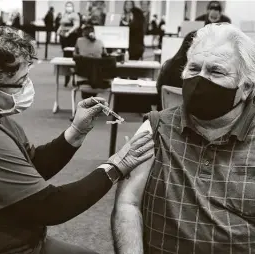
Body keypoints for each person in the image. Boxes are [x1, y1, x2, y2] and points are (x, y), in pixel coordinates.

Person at [0, 23, 153, 254]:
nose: (27, 88)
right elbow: (51, 207)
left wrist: (75, 132)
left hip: (8, 232)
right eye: (20, 83)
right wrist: (117, 165)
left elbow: (31, 167)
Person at [112, 23, 255, 253]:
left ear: (246, 87)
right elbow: (128, 203)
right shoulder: (156, 127)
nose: (200, 79)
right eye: (194, 68)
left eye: (216, 71)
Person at [156, 31, 197, 110]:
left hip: (167, 117)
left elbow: (158, 92)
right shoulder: (200, 74)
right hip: (192, 120)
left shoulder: (168, 66)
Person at [74, 24, 108, 99]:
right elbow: (105, 55)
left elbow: (75, 55)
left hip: (83, 81)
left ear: (83, 33)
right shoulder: (100, 42)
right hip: (99, 81)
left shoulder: (79, 41)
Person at [57, 1, 80, 87]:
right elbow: (62, 25)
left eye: (70, 6)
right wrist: (59, 30)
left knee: (71, 56)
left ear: (73, 7)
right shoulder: (64, 15)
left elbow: (76, 25)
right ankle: (67, 76)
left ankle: (74, 77)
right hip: (64, 37)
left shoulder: (75, 15)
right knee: (65, 56)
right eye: (67, 6)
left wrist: (69, 32)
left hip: (71, 37)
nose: (68, 7)